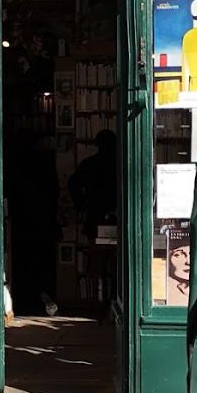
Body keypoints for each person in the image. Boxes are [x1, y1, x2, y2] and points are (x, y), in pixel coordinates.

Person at [68, 129, 120, 318]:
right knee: (117, 266)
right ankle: (115, 302)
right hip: (118, 219)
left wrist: (82, 203)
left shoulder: (89, 164)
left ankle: (98, 305)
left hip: (95, 217)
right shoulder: (121, 163)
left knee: (97, 267)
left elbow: (73, 183)